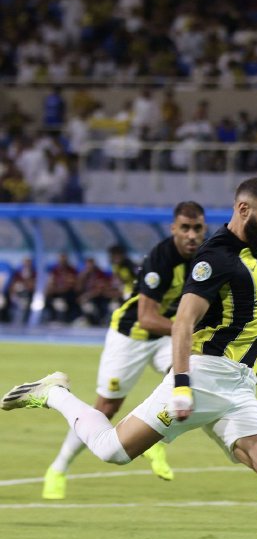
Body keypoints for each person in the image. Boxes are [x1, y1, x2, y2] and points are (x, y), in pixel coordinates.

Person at [3, 178, 257, 539]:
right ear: (243, 209)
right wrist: (181, 384)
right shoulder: (216, 257)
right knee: (112, 450)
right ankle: (53, 393)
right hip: (205, 378)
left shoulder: (254, 252)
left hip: (238, 387)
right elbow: (182, 321)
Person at [41, 201, 207, 500]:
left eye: (197, 228)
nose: (192, 235)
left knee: (189, 376)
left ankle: (156, 441)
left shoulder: (206, 259)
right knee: (106, 408)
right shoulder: (161, 259)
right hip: (131, 335)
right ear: (174, 229)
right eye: (185, 228)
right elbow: (146, 318)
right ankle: (58, 468)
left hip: (165, 336)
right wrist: (186, 332)